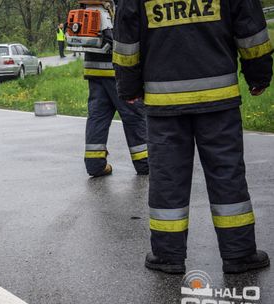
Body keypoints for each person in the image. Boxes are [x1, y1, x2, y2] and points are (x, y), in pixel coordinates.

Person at [114, 0, 273, 274]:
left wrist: (129, 88)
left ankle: (168, 256)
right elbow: (250, 30)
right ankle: (239, 254)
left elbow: (127, 41)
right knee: (227, 174)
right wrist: (259, 75)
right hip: (218, 100)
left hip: (164, 104)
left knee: (167, 178)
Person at [83, 2, 148, 178]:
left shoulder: (90, 6)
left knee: (97, 116)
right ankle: (144, 163)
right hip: (115, 68)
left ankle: (95, 165)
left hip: (93, 68)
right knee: (133, 115)